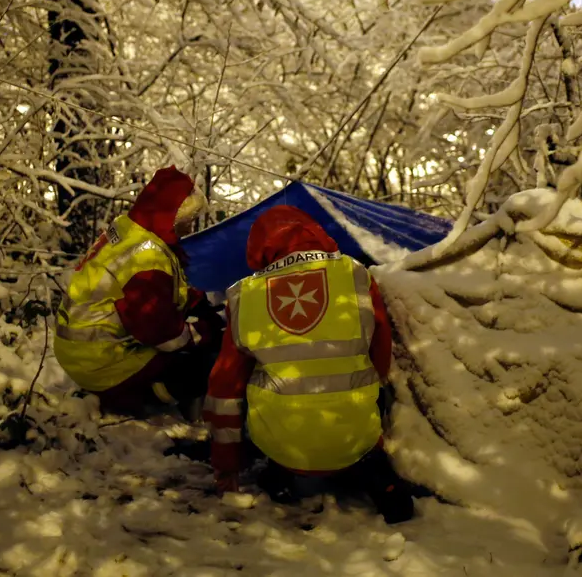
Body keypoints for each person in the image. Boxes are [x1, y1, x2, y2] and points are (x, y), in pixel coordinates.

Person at [203, 205, 414, 524]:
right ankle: (376, 475)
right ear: (315, 233)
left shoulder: (243, 295)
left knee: (259, 392)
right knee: (361, 420)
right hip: (356, 433)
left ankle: (280, 473)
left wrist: (226, 463)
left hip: (280, 441)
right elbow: (380, 352)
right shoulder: (355, 273)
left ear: (258, 246)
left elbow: (224, 387)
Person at [55, 166, 225, 418]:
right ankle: (147, 400)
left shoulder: (129, 228)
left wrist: (194, 300)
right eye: (187, 218)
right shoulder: (147, 258)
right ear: (171, 214)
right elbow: (165, 337)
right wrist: (207, 331)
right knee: (205, 364)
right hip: (101, 362)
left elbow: (147, 290)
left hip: (79, 351)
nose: (190, 227)